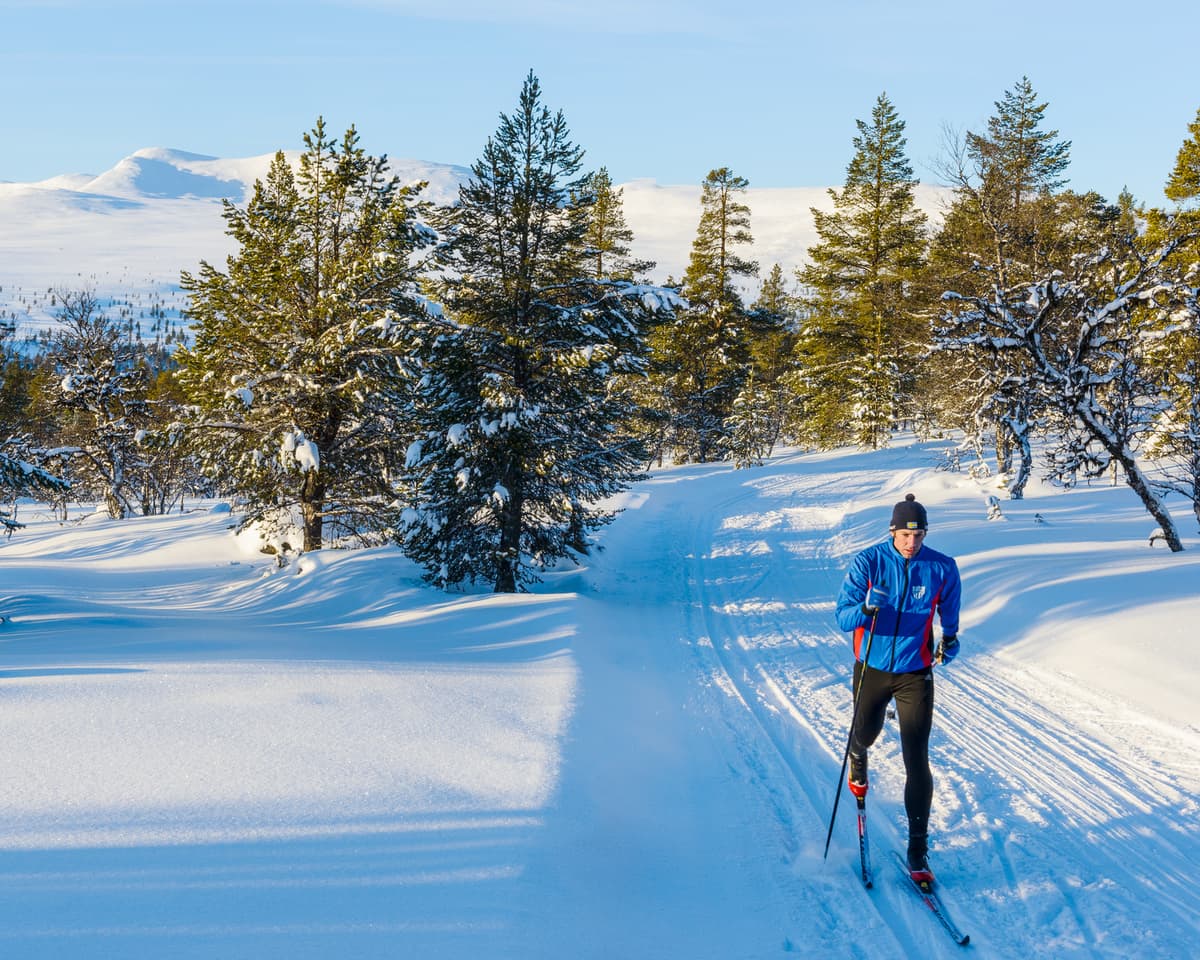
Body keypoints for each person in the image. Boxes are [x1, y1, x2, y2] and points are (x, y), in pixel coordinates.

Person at [834, 493, 962, 881]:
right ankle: (858, 751)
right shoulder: (869, 562)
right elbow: (842, 615)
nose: (912, 542)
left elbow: (949, 609)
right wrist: (866, 609)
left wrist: (950, 638)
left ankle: (918, 850)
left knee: (916, 757)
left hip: (915, 671)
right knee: (867, 733)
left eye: (919, 534)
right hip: (872, 664)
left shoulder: (941, 567)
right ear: (892, 532)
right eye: (906, 535)